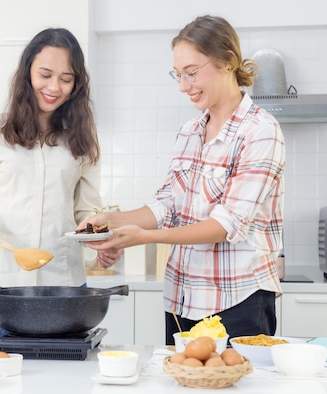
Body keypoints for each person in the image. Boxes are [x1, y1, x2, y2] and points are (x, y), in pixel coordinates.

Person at [84, 15, 285, 345]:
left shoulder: (260, 131)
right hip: (182, 299)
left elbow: (227, 224)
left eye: (191, 73)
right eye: (178, 75)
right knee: (182, 392)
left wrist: (144, 237)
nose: (183, 85)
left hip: (238, 300)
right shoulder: (190, 132)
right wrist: (111, 222)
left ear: (227, 62)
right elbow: (168, 205)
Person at [0, 28, 122, 341]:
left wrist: (100, 242)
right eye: (45, 74)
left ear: (77, 84)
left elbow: (87, 211)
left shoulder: (82, 139)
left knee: (62, 385)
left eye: (66, 78)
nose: (54, 87)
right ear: (27, 71)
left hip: (66, 288)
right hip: (2, 288)